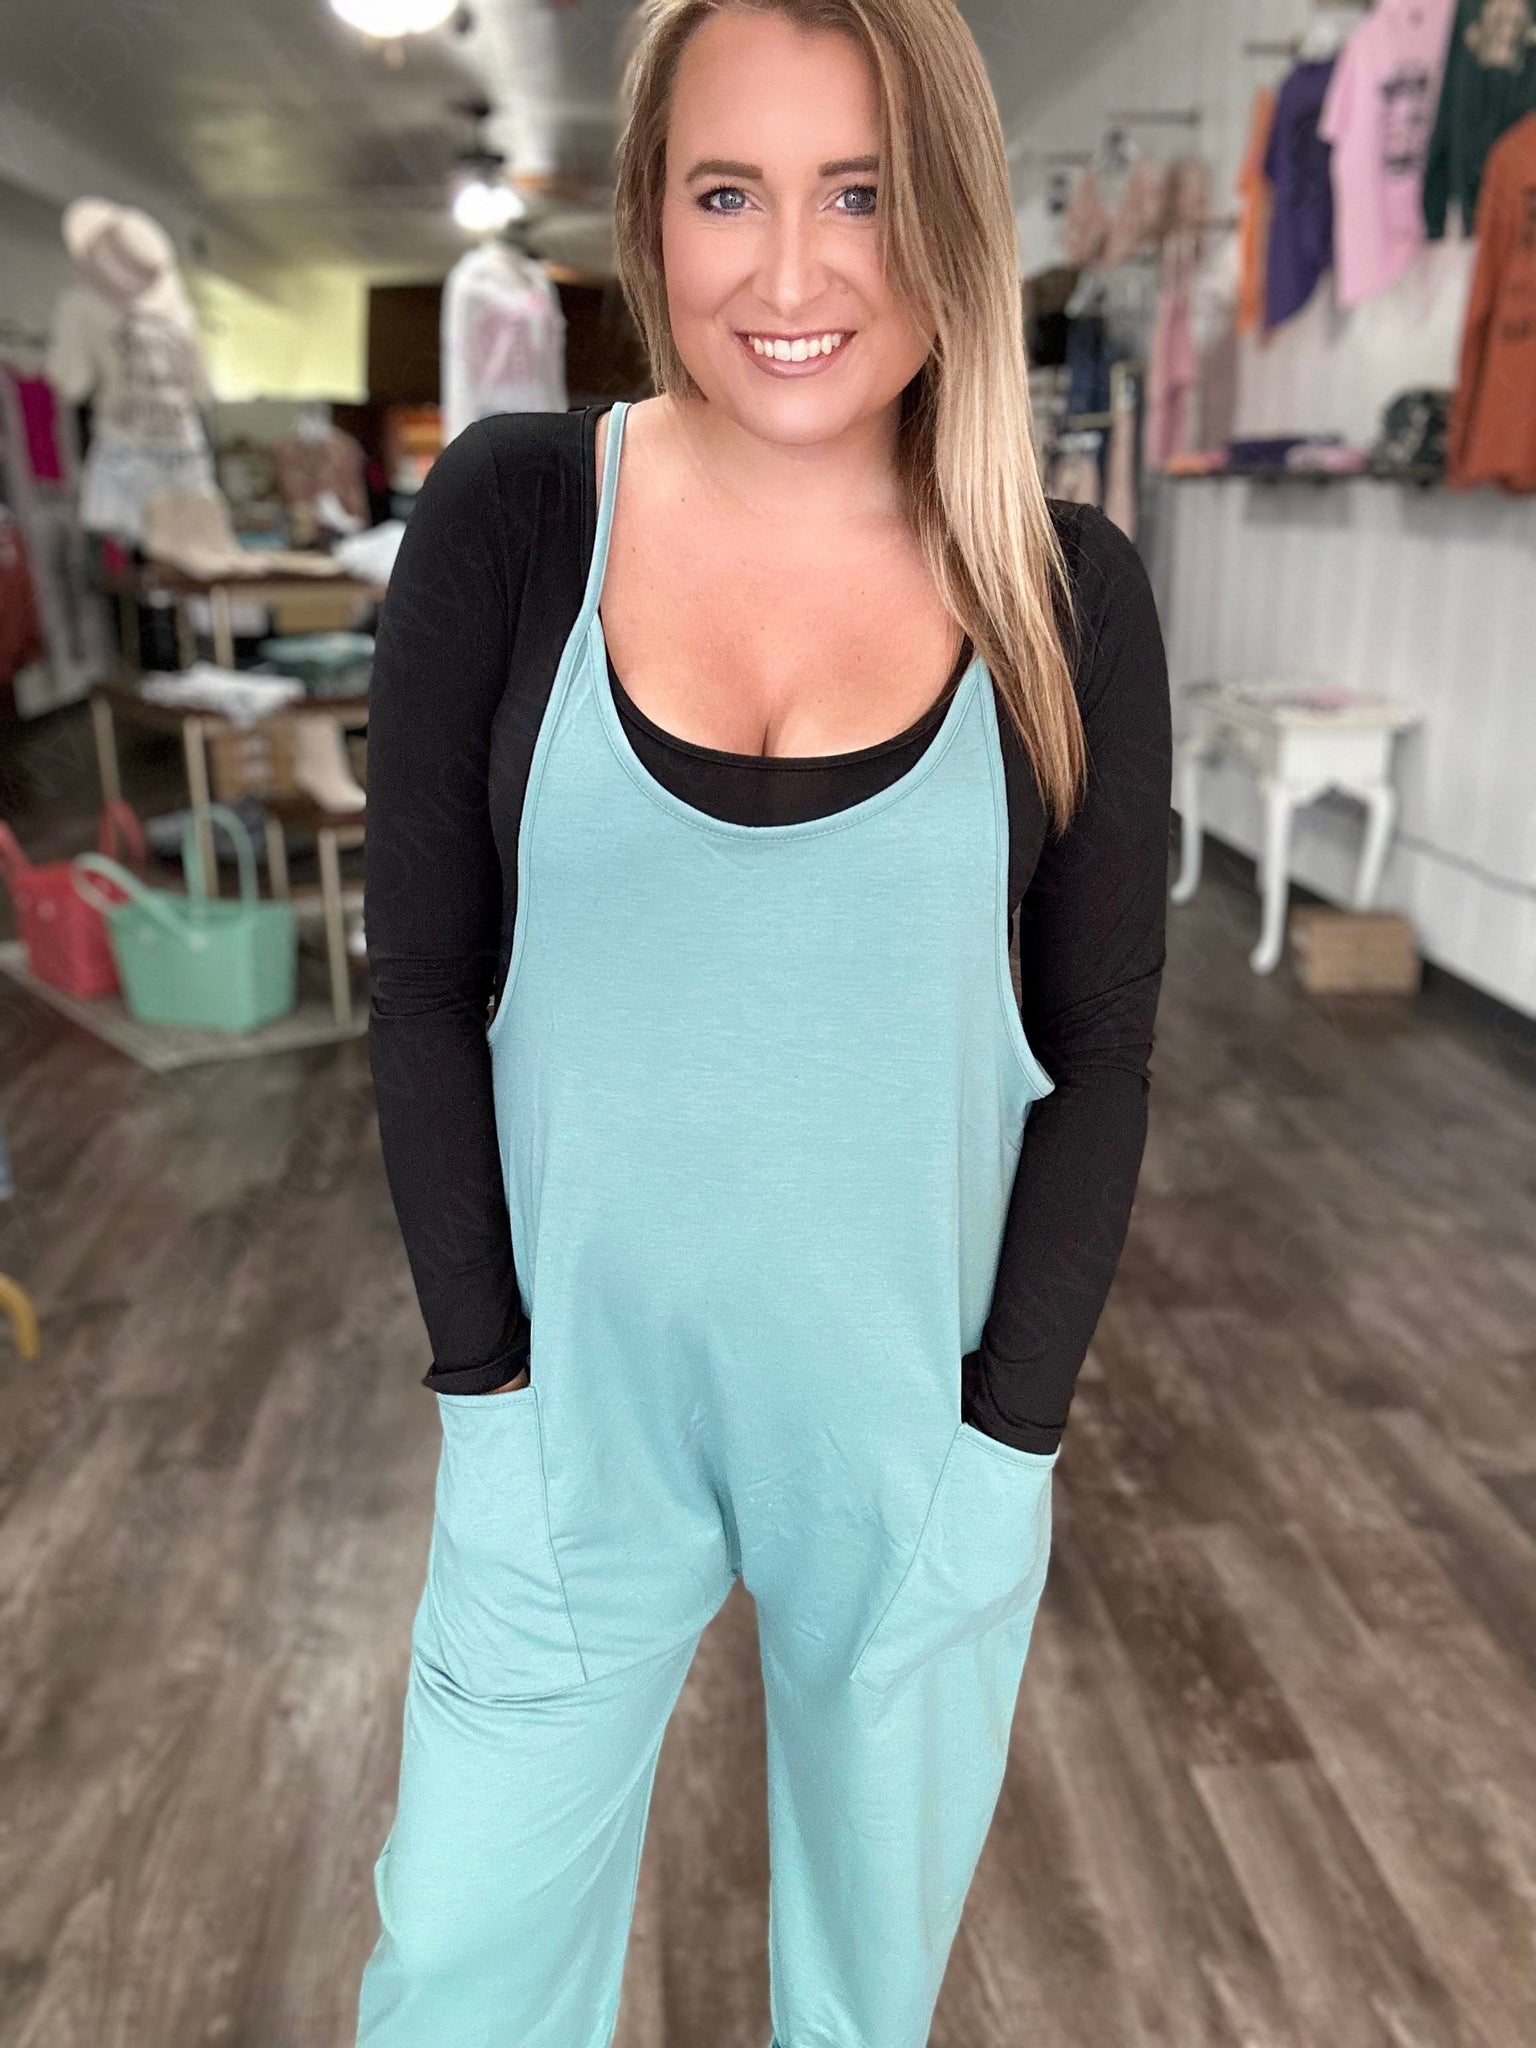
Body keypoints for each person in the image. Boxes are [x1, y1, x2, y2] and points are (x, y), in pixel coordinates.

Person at [354, 0, 1171, 2042]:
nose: (793, 275)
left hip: (908, 1445)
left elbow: (1099, 1052)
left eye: (861, 195)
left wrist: (1003, 1445)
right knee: (456, 1971)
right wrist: (488, 1393)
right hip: (567, 1431)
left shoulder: (1061, 591)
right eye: (730, 193)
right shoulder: (520, 514)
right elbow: (424, 991)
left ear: (951, 213)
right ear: (649, 211)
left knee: (859, 2009)